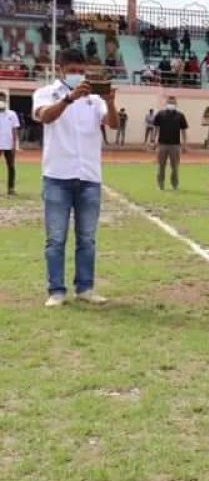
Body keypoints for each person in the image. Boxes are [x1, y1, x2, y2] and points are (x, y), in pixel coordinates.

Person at [32, 48, 119, 307]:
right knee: (56, 238)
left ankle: (85, 288)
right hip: (57, 176)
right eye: (71, 70)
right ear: (61, 70)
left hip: (89, 176)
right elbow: (45, 117)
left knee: (87, 238)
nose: (77, 74)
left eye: (80, 70)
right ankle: (56, 290)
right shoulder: (45, 93)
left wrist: (112, 102)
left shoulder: (94, 99)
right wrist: (69, 98)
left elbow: (112, 124)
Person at [152, 97, 189, 191]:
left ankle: (174, 185)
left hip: (175, 145)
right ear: (166, 103)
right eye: (169, 102)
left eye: (173, 102)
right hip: (162, 144)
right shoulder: (160, 114)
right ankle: (160, 185)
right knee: (161, 166)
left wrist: (184, 143)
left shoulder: (180, 115)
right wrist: (153, 140)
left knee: (175, 166)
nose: (171, 104)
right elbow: (156, 128)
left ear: (176, 104)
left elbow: (184, 130)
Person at [0, 95, 21, 195]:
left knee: (11, 166)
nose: (1, 101)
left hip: (9, 144)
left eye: (3, 99)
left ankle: (11, 188)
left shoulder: (12, 114)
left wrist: (14, 145)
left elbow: (14, 130)